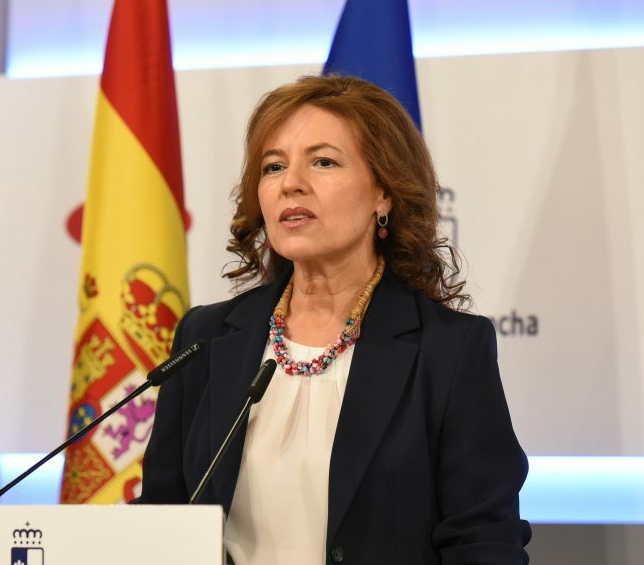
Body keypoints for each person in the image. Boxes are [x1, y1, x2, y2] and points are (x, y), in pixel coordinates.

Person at [139, 75, 531, 565]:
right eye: (273, 166)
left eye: (323, 162)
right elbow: (161, 519)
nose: (291, 183)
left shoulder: (448, 351)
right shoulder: (205, 338)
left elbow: (483, 541)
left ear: (384, 193)